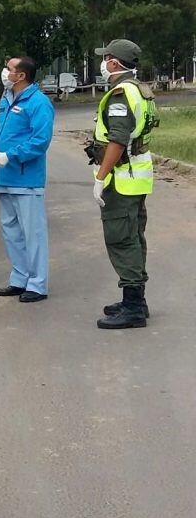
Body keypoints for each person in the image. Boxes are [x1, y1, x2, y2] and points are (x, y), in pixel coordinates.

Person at [90, 40, 157, 330]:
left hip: (122, 179)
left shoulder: (121, 93)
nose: (102, 63)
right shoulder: (139, 89)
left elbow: (118, 140)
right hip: (137, 178)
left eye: (105, 59)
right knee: (134, 237)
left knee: (122, 239)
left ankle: (133, 308)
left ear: (114, 63)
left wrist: (100, 176)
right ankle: (136, 300)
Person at [0, 56, 55, 303]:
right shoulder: (6, 99)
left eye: (8, 69)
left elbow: (40, 141)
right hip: (5, 177)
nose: (4, 72)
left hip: (26, 179)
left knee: (33, 233)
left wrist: (10, 156)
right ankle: (19, 279)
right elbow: (2, 136)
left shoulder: (38, 103)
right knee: (12, 232)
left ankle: (37, 284)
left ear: (21, 76)